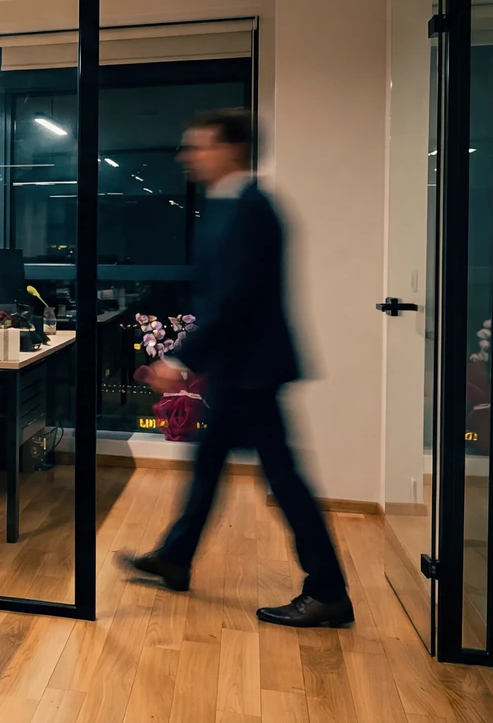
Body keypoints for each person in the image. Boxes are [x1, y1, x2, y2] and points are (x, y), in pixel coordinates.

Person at [122, 109, 353, 629]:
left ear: (231, 149)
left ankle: (328, 591)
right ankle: (176, 557)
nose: (188, 156)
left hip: (253, 371)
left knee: (284, 481)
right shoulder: (231, 206)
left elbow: (234, 298)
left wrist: (180, 359)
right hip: (239, 368)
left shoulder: (252, 209)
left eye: (199, 145)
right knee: (208, 468)